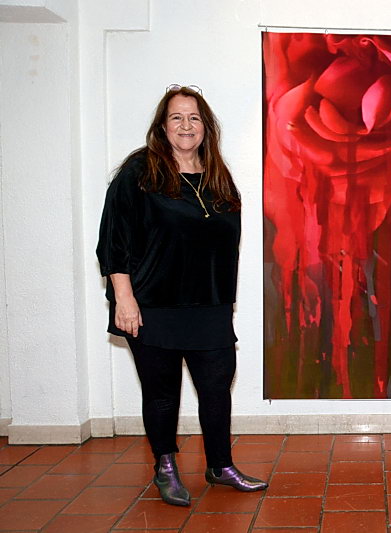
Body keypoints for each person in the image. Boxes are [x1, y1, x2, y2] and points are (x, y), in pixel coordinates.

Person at [97, 84, 267, 506]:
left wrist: (225, 303)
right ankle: (166, 466)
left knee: (216, 388)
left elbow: (226, 246)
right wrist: (124, 298)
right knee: (161, 393)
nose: (186, 125)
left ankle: (220, 465)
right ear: (162, 126)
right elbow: (114, 241)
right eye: (176, 117)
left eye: (194, 118)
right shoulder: (139, 173)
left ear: (206, 127)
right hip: (153, 306)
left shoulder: (218, 176)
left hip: (209, 307)